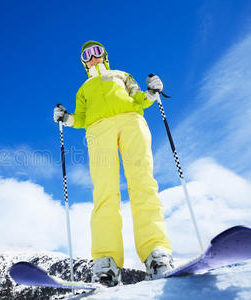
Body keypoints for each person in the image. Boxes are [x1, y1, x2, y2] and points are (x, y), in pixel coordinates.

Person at [53, 41, 174, 286]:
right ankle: (106, 265)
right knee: (104, 193)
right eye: (87, 54)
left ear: (104, 56)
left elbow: (138, 98)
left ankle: (156, 255)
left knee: (143, 184)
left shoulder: (122, 75)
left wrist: (151, 92)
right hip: (98, 131)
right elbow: (82, 119)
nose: (93, 56)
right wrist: (65, 119)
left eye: (97, 51)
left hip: (131, 121)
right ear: (84, 62)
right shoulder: (83, 89)